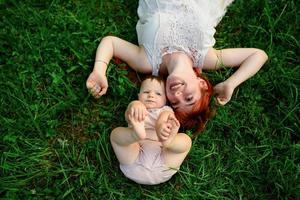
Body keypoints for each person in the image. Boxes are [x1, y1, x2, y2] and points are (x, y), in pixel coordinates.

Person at [86, 0, 268, 134]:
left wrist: (99, 71)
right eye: (189, 97)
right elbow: (258, 55)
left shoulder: (147, 61)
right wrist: (231, 83)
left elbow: (110, 43)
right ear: (202, 84)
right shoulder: (207, 58)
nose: (177, 94)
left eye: (173, 102)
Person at [110, 76, 191, 185]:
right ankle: (135, 135)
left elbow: (167, 117)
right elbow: (128, 113)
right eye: (146, 92)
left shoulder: (165, 110)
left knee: (186, 141)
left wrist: (161, 124)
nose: (151, 95)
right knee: (116, 134)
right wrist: (135, 105)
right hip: (134, 157)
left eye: (158, 94)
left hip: (164, 159)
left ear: (165, 100)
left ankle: (169, 141)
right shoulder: (136, 107)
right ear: (139, 96)